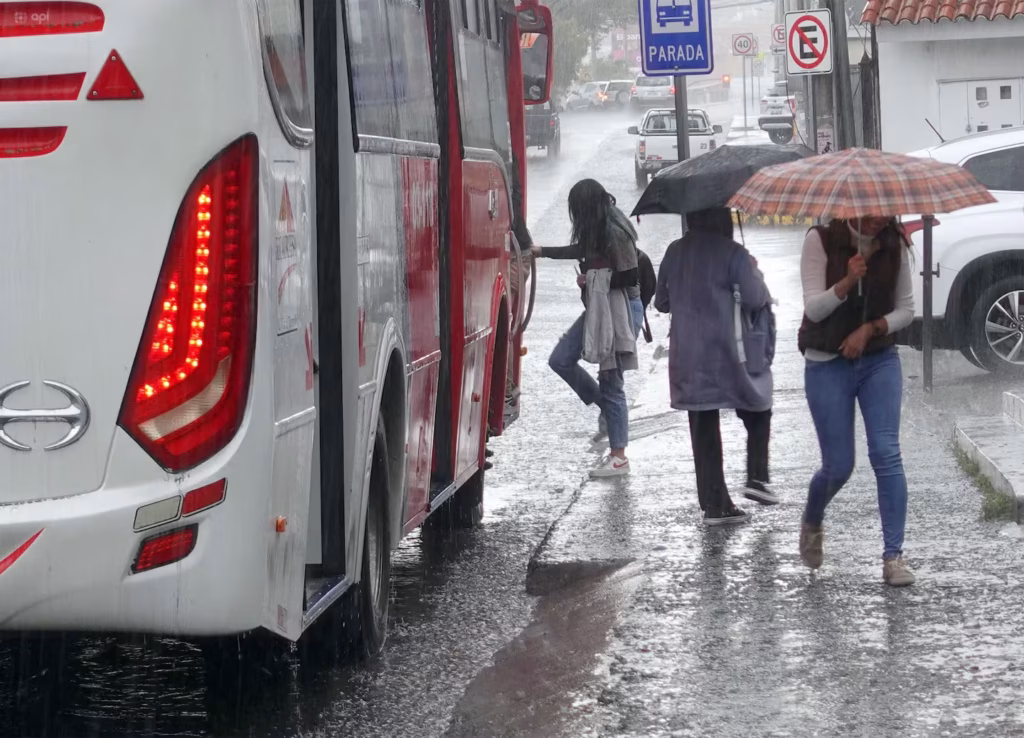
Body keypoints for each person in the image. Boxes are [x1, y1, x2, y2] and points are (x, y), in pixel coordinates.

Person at [798, 216, 915, 586]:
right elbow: (813, 309)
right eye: (871, 208)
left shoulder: (894, 244)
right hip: (826, 362)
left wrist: (870, 328)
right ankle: (813, 517)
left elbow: (906, 309)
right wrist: (846, 281)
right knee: (838, 467)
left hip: (878, 360)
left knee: (886, 452)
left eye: (885, 208)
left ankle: (893, 556)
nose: (879, 216)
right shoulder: (819, 239)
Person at [654, 207, 777, 526]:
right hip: (728, 352)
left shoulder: (675, 250)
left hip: (689, 353)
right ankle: (756, 476)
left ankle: (714, 504)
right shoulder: (733, 253)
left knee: (703, 425)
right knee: (757, 407)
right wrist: (754, 271)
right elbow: (755, 297)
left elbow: (661, 302)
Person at [531, 179, 643, 478]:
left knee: (612, 382)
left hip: (620, 311)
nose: (575, 217)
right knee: (561, 359)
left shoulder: (615, 230)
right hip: (600, 309)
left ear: (587, 207)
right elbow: (582, 249)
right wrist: (542, 251)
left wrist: (591, 279)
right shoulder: (600, 226)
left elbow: (630, 277)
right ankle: (604, 407)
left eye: (577, 210)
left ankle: (619, 457)